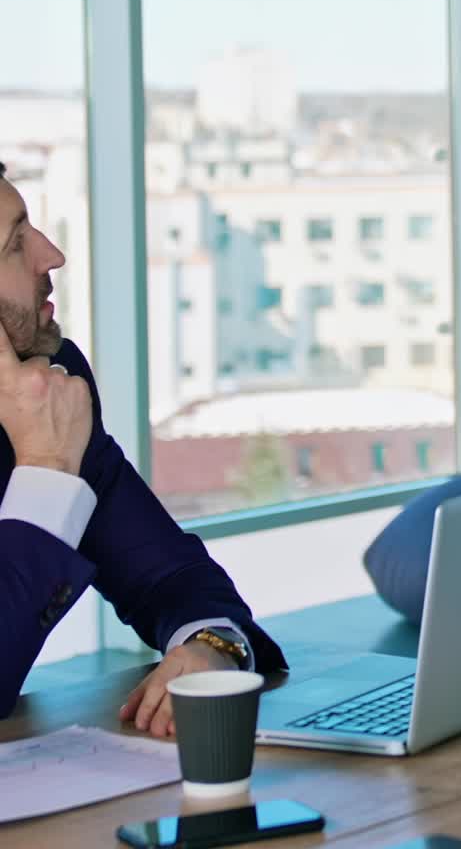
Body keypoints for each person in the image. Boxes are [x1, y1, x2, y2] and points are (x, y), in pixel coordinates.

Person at [0, 164, 285, 730]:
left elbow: (168, 575)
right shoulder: (46, 420)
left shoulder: (50, 384)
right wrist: (46, 472)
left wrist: (209, 646)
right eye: (14, 243)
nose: (51, 255)